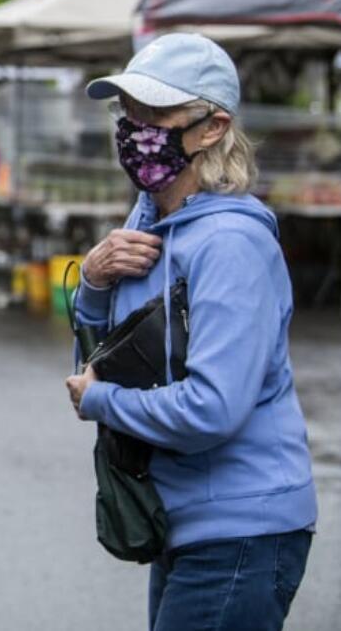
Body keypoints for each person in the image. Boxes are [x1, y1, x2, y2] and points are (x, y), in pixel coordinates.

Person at [65, 34, 316, 631]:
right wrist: (95, 284)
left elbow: (214, 408)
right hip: (183, 520)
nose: (135, 127)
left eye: (156, 112)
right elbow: (103, 360)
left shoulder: (231, 244)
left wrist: (101, 400)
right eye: (128, 111)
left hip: (241, 529)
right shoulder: (148, 226)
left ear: (212, 126)